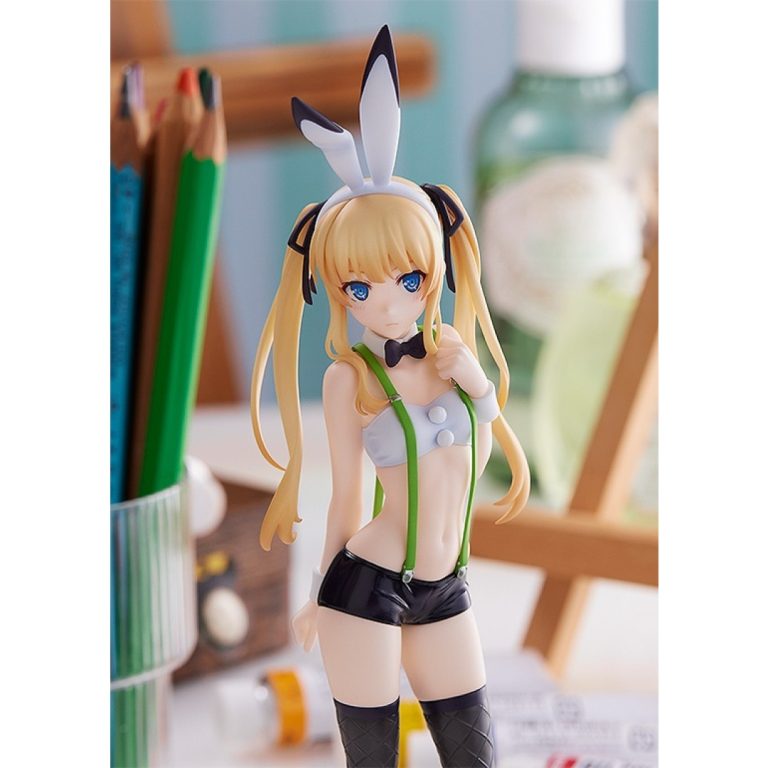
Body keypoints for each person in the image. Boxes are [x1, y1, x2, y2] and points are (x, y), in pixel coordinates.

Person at [250, 26, 529, 768]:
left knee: (476, 756)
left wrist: (477, 383)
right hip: (367, 588)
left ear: (434, 269)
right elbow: (345, 499)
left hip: (447, 588)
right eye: (358, 286)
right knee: (373, 760)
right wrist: (318, 591)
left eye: (408, 279)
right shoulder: (349, 379)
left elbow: (484, 455)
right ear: (337, 290)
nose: (385, 301)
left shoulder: (451, 356)